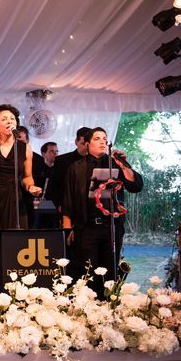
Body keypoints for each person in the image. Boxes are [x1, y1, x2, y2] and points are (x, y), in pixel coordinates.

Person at [62, 127, 143, 298]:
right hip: (87, 227)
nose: (102, 141)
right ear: (87, 143)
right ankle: (89, 310)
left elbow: (136, 186)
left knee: (110, 270)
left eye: (104, 138)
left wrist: (123, 164)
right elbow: (68, 201)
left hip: (111, 227)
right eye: (97, 138)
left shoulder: (115, 164)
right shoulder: (76, 167)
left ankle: (110, 304)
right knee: (88, 271)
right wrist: (68, 229)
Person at [0, 105, 42, 294]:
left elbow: (27, 176)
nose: (9, 121)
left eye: (12, 118)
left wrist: (31, 186)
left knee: (17, 245)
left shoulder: (25, 148)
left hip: (15, 200)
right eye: (4, 119)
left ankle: (16, 291)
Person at [46, 127, 90, 212]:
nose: (86, 147)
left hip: (89, 207)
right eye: (83, 143)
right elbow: (53, 186)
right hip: (67, 206)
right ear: (76, 142)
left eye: (88, 144)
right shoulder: (61, 160)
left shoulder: (97, 162)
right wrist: (58, 204)